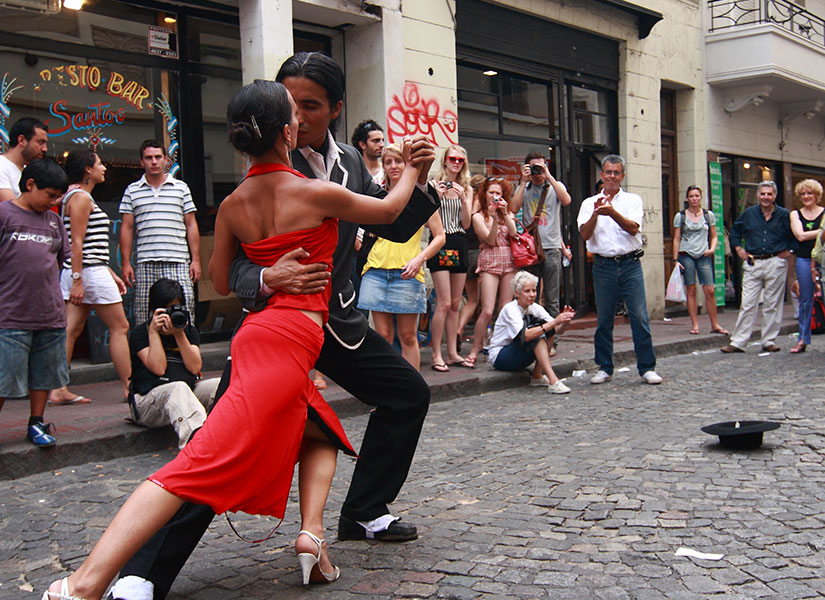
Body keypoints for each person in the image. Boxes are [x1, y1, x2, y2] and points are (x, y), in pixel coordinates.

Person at [42, 78, 428, 600]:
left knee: (322, 430)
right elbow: (383, 212)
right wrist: (413, 171)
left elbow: (217, 283)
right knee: (196, 465)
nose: (304, 117)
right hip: (287, 339)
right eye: (296, 109)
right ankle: (89, 584)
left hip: (270, 336)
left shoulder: (233, 203)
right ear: (288, 130)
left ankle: (320, 533)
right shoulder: (314, 191)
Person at [49, 148, 131, 406]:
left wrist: (104, 272)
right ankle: (130, 387)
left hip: (86, 271)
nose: (104, 168)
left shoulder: (71, 196)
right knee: (120, 327)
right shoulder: (82, 198)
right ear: (87, 169)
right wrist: (78, 279)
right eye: (99, 164)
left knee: (70, 330)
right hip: (87, 272)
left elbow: (83, 244)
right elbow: (78, 242)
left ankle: (58, 387)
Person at [357, 144, 445, 370]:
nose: (394, 166)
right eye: (388, 162)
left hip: (407, 272)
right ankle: (386, 394)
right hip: (375, 270)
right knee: (382, 338)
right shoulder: (377, 195)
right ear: (383, 167)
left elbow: (440, 237)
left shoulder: (418, 198)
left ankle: (410, 396)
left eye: (398, 161)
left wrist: (420, 259)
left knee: (408, 337)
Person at [0, 158, 69, 448]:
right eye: (49, 195)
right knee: (5, 374)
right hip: (11, 312)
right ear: (30, 185)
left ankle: (37, 421)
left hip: (49, 313)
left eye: (57, 197)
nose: (53, 201)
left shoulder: (53, 221)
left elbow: (63, 256)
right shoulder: (4, 214)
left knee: (44, 373)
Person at [577, 155, 662, 385]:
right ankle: (605, 367)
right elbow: (585, 234)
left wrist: (612, 212)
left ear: (622, 176)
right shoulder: (589, 203)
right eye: (608, 172)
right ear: (602, 175)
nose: (612, 176)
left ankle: (646, 367)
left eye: (616, 172)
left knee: (639, 317)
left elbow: (633, 228)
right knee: (604, 319)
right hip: (603, 265)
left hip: (630, 264)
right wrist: (597, 212)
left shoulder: (632, 200)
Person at [128, 278, 219, 448]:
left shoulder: (188, 331)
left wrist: (179, 334)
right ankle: (198, 448)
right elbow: (158, 369)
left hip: (184, 394)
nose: (171, 316)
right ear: (154, 310)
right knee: (178, 387)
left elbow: (195, 367)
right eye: (167, 309)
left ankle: (227, 440)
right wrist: (154, 333)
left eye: (176, 308)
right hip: (147, 403)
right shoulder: (140, 333)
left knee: (220, 385)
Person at [119, 140, 201, 324]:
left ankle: (184, 352)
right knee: (144, 315)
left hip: (178, 261)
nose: (154, 162)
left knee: (184, 312)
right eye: (149, 158)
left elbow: (191, 225)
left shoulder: (181, 188)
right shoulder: (132, 191)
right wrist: (125, 263)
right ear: (141, 162)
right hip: (146, 261)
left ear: (166, 160)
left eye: (158, 157)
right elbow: (127, 228)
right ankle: (148, 352)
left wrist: (195, 260)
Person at [721, 181, 796, 354]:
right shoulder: (749, 213)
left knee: (772, 304)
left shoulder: (783, 215)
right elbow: (736, 232)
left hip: (775, 262)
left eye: (769, 194)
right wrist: (738, 248)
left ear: (774, 196)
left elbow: (794, 235)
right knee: (747, 303)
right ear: (758, 195)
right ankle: (738, 342)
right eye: (763, 194)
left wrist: (790, 251)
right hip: (753, 262)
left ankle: (769, 340)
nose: (766, 197)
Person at [461, 177, 518, 368]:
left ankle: (500, 346)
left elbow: (514, 233)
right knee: (486, 310)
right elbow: (491, 240)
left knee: (505, 308)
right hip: (489, 261)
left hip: (508, 261)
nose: (495, 196)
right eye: (491, 192)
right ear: (484, 194)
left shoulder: (507, 212)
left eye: (499, 193)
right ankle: (475, 350)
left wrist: (505, 214)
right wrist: (493, 220)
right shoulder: (478, 216)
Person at [488, 271, 574, 393]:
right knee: (536, 334)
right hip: (501, 357)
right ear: (517, 293)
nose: (532, 294)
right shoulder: (510, 309)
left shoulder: (535, 307)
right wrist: (554, 322)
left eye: (534, 291)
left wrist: (564, 322)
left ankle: (537, 376)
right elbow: (526, 336)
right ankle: (553, 381)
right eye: (527, 291)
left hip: (520, 354)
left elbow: (556, 330)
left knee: (547, 332)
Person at [510, 152, 572, 316]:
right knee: (529, 297)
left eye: (541, 166)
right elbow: (514, 208)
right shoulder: (525, 188)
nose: (537, 172)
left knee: (552, 298)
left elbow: (566, 201)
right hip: (530, 249)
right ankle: (533, 333)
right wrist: (523, 181)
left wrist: (549, 176)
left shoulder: (555, 186)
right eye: (534, 167)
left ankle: (552, 338)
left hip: (551, 248)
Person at [428, 144, 473, 371]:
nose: (456, 163)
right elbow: (427, 218)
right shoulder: (433, 184)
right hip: (441, 240)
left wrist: (463, 198)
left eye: (460, 160)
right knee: (443, 303)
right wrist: (436, 196)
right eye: (453, 158)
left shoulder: (466, 187)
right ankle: (436, 353)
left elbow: (466, 223)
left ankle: (453, 352)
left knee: (455, 303)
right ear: (444, 160)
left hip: (458, 241)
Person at [671, 185, 728, 336]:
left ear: (701, 197)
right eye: (691, 196)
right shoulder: (680, 216)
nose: (694, 199)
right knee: (691, 289)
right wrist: (675, 259)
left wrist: (712, 248)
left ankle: (714, 324)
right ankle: (695, 324)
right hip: (686, 254)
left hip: (703, 255)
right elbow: (676, 239)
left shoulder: (708, 215)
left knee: (710, 290)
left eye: (697, 196)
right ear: (687, 198)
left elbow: (714, 235)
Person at [788, 179, 825, 353]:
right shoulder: (795, 214)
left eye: (810, 193)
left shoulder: (824, 213)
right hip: (803, 258)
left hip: (823, 259)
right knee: (805, 299)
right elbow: (800, 236)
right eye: (803, 194)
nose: (806, 196)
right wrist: (821, 232)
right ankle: (803, 338)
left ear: (817, 195)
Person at [456, 174, 486, 352]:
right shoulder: (480, 205)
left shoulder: (464, 202)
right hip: (479, 253)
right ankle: (481, 341)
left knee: (471, 300)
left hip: (464, 253)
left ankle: (459, 329)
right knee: (482, 303)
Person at [0, 117, 48, 201]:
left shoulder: (29, 170)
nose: (45, 149)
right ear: (21, 140)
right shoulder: (2, 166)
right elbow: (12, 210)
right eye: (40, 142)